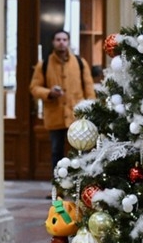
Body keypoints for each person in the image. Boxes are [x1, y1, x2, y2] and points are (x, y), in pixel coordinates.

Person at [29, 30, 95, 176]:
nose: (61, 42)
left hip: (77, 118)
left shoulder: (80, 62)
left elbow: (89, 88)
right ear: (53, 42)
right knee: (56, 153)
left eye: (64, 39)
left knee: (81, 152)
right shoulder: (44, 64)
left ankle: (80, 187)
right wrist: (49, 93)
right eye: (58, 39)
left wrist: (91, 110)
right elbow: (34, 88)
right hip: (55, 117)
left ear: (68, 42)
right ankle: (57, 188)